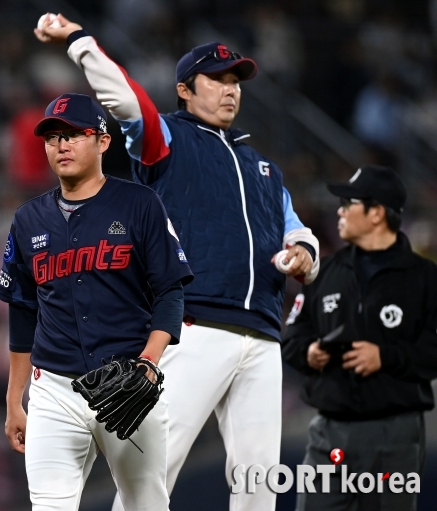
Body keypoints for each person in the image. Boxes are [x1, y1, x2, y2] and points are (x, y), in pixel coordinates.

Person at [35, 14, 320, 511]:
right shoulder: (165, 138)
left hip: (263, 333)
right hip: (194, 325)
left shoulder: (263, 167)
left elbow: (298, 230)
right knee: (150, 475)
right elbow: (123, 99)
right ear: (185, 90)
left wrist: (305, 256)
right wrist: (79, 42)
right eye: (218, 79)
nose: (230, 90)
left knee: (259, 484)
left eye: (236, 81)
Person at [0, 93, 193, 511]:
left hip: (127, 380)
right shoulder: (27, 219)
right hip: (53, 390)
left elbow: (171, 291)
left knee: (147, 505)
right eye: (53, 137)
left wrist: (149, 362)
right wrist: (15, 400)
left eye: (74, 135)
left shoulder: (140, 204)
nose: (61, 145)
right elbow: (22, 311)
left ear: (103, 141)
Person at [282, 165, 437, 511]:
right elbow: (292, 337)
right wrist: (309, 352)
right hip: (329, 432)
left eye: (348, 203)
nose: (339, 210)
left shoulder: (424, 278)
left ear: (376, 213)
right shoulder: (325, 273)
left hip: (394, 434)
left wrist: (385, 356)